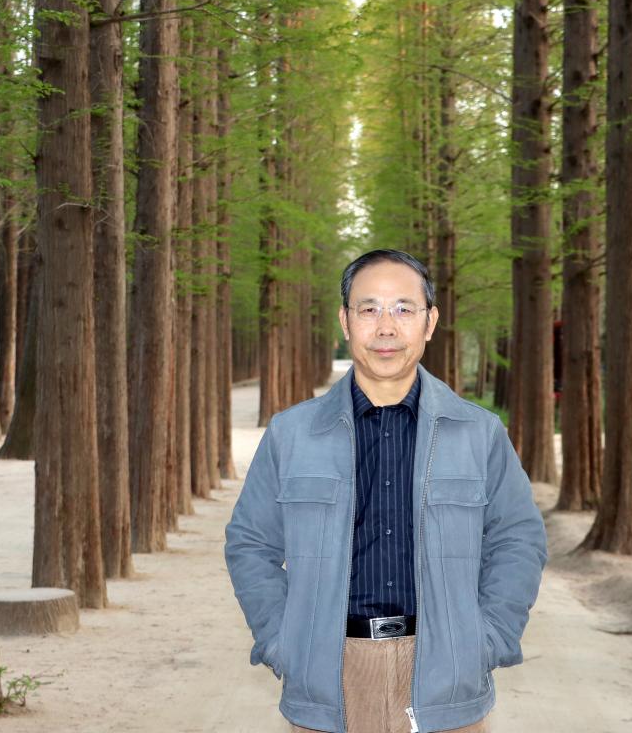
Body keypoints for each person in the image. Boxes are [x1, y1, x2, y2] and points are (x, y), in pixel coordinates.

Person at [225, 249, 547, 733]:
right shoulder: (292, 434)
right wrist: (283, 641)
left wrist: (486, 640)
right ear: (345, 321)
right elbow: (250, 543)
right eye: (369, 308)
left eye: (403, 309)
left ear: (429, 322)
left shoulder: (479, 434)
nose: (386, 327)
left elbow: (518, 538)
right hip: (328, 682)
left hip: (447, 682)